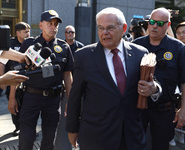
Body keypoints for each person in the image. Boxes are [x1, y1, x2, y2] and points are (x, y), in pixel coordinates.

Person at [66, 7, 161, 150]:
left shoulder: (140, 53)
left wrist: (153, 88)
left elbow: (153, 83)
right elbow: (75, 96)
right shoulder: (84, 56)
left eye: (110, 28)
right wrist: (72, 129)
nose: (104, 33)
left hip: (131, 136)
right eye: (100, 28)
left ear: (123, 28)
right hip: (96, 137)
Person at [8, 9, 74, 150]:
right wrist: (12, 97)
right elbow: (17, 70)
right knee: (26, 138)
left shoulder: (63, 47)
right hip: (31, 96)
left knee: (49, 139)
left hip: (53, 99)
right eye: (49, 23)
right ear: (41, 25)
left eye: (55, 24)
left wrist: (71, 100)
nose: (53, 27)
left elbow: (67, 75)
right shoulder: (29, 44)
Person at [133, 7, 185, 150]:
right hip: (137, 109)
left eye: (160, 23)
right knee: (134, 144)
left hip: (164, 110)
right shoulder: (136, 45)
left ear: (168, 25)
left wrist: (183, 110)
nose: (155, 26)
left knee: (161, 146)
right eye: (152, 22)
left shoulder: (178, 48)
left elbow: (184, 82)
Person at [0, 22, 31, 136]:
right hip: (11, 79)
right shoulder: (9, 44)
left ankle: (27, 128)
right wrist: (2, 80)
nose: (28, 34)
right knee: (14, 104)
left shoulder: (31, 43)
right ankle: (17, 127)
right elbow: (2, 63)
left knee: (27, 107)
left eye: (29, 31)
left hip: (27, 81)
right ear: (18, 33)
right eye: (25, 32)